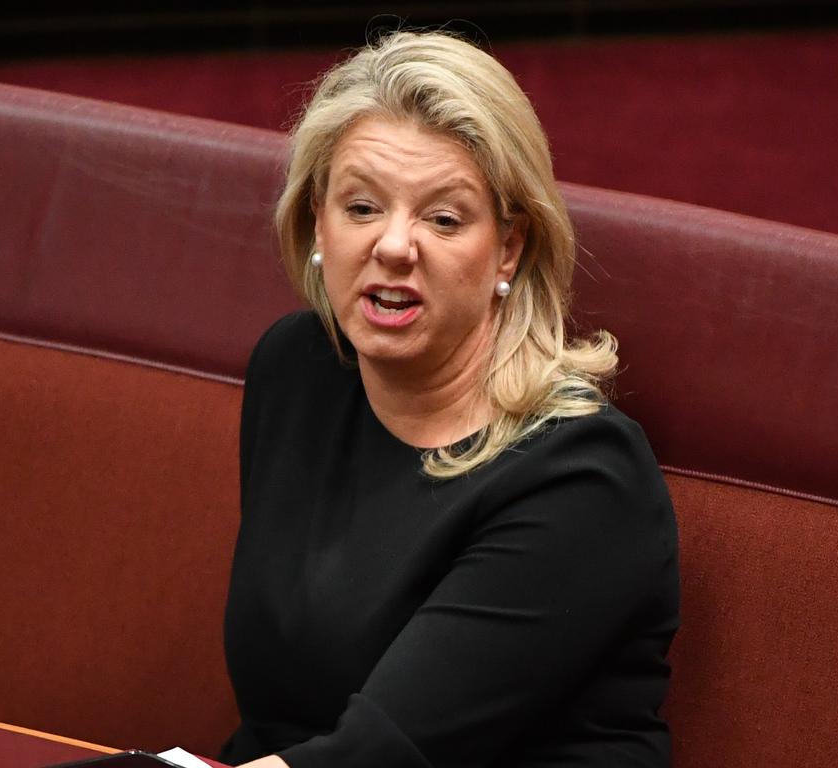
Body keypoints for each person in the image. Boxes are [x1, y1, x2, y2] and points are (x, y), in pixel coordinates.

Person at [221, 29, 679, 768]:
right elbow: (277, 714)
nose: (395, 246)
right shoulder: (296, 372)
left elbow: (381, 755)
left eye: (443, 218)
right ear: (317, 221)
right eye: (362, 206)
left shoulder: (584, 476)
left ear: (509, 247)